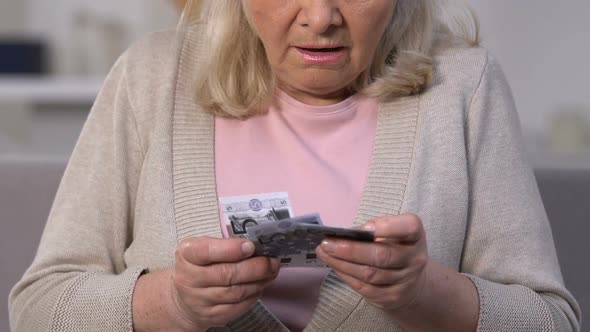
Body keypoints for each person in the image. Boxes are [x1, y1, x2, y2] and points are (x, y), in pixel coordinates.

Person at [9, 0, 581, 331]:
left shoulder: (465, 85)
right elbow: (36, 310)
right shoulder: (152, 76)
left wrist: (421, 292)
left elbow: (552, 321)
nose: (320, 16)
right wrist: (173, 303)